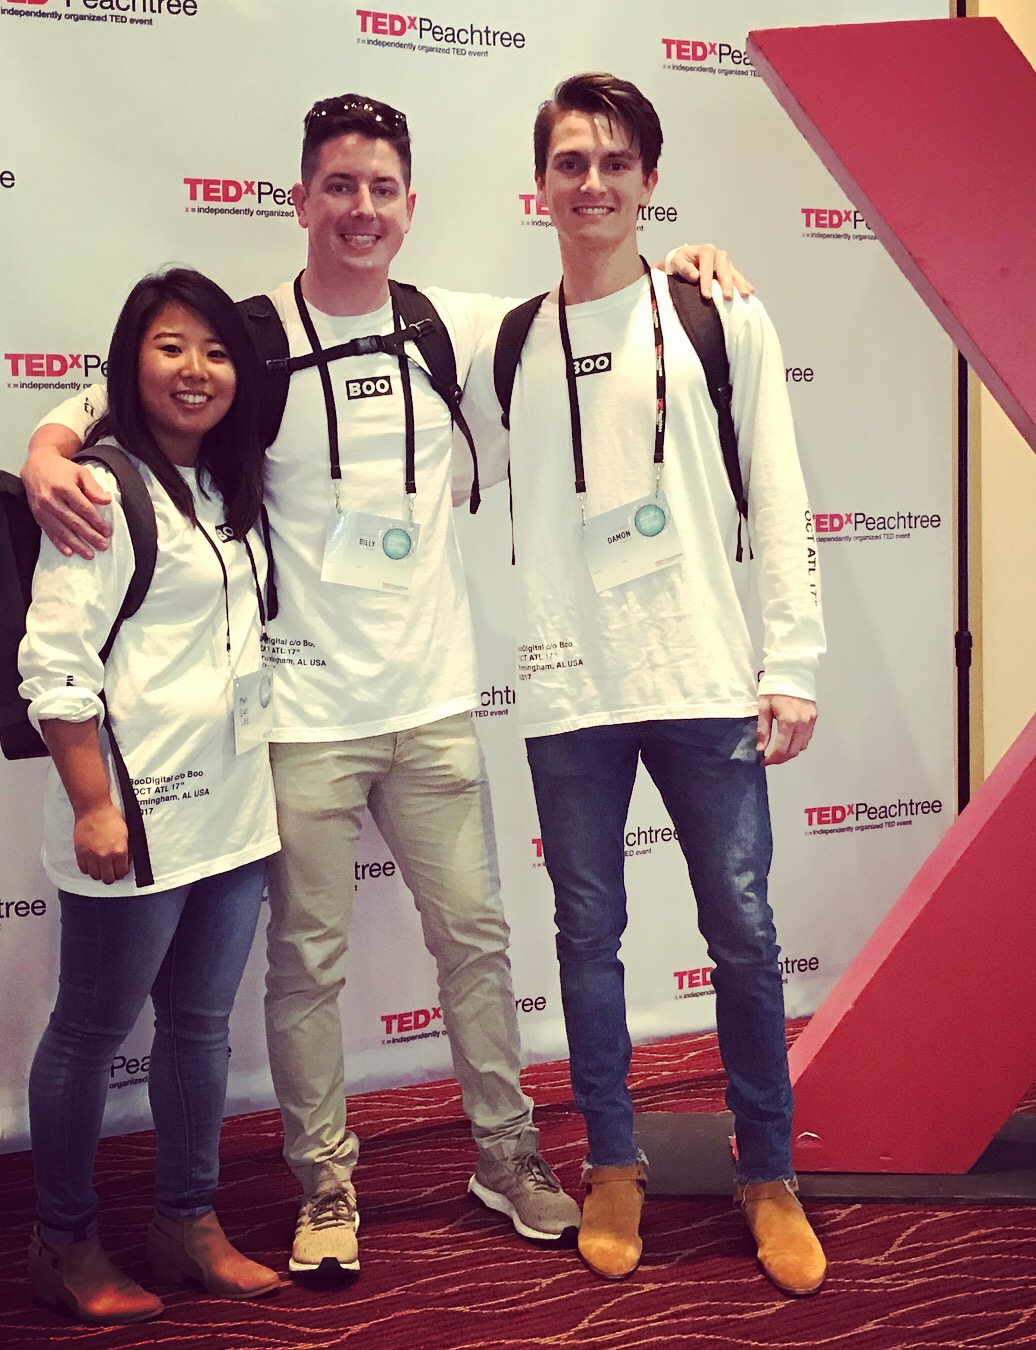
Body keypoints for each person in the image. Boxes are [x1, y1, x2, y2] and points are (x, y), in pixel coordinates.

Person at [21, 94, 746, 1278]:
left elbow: (597, 301)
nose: (362, 209)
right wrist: (50, 445)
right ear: (301, 199)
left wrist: (690, 269)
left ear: (411, 206)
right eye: (340, 187)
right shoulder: (248, 336)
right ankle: (325, 1187)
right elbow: (121, 388)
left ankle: (507, 1156)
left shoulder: (452, 325)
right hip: (302, 721)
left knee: (477, 945)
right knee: (307, 967)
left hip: (435, 708)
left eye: (382, 190)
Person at [461, 73, 828, 1295]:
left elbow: (780, 490)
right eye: (571, 162)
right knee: (587, 938)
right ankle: (612, 1162)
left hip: (706, 674)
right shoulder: (509, 341)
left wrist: (792, 662)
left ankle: (767, 1172)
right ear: (541, 184)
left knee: (745, 935)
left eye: (615, 162)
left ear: (650, 182)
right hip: (569, 688)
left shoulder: (718, 315)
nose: (593, 182)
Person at [20, 268, 281, 1325]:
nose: (196, 370)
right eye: (171, 347)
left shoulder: (228, 482)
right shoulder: (98, 487)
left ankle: (188, 1223)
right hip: (131, 817)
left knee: (201, 1028)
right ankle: (63, 1242)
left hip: (233, 809)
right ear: (130, 362)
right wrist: (93, 805)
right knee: (89, 1031)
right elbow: (54, 667)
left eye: (215, 352)